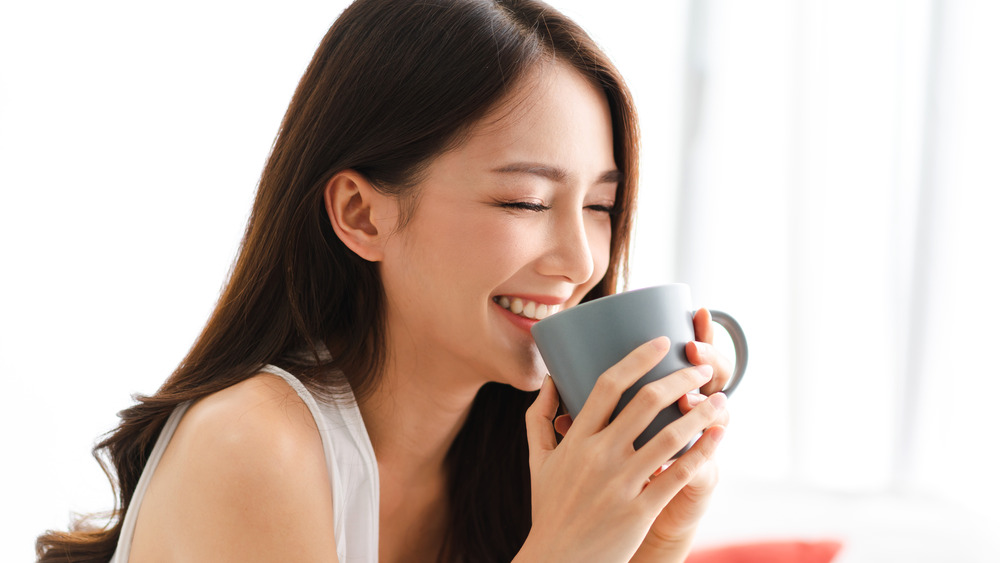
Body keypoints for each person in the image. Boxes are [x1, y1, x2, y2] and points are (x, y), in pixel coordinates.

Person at [36, 0, 733, 561]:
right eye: (524, 201)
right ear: (360, 214)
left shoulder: (518, 461)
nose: (581, 261)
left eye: (600, 207)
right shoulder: (252, 446)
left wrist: (654, 539)